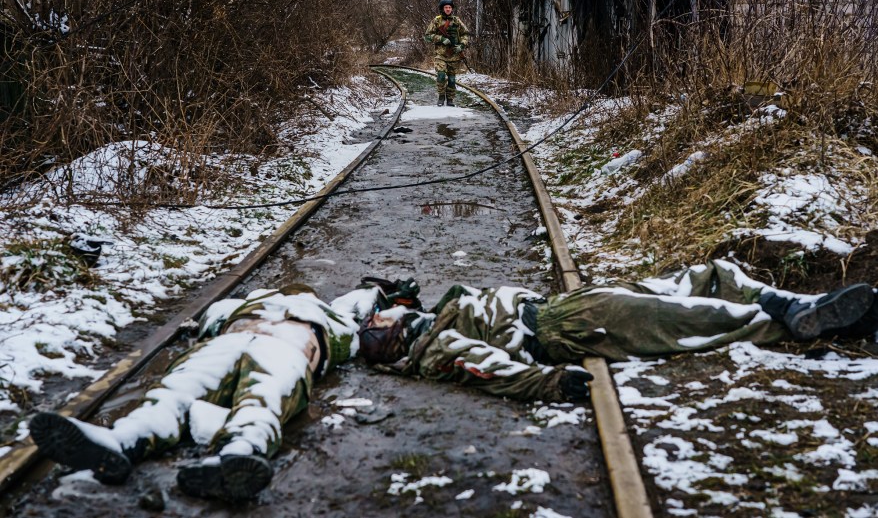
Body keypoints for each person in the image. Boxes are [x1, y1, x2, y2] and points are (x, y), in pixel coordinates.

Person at [28, 282, 405, 502]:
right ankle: (121, 441)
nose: (299, 291)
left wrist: (380, 298)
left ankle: (239, 457)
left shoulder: (328, 313)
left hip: (287, 350)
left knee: (262, 399)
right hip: (238, 342)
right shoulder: (254, 299)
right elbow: (209, 315)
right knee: (177, 389)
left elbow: (362, 317)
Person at [359, 260, 877, 401]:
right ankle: (813, 323)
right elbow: (487, 368)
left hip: (567, 306)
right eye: (378, 323)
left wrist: (401, 296)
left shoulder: (432, 316)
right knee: (693, 321)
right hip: (570, 330)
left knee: (697, 279)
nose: (381, 314)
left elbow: (397, 303)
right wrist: (550, 384)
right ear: (391, 342)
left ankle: (790, 303)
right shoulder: (434, 348)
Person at [424, 0, 470, 107]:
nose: (448, 9)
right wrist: (441, 39)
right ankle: (441, 97)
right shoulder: (437, 21)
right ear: (442, 8)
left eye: (450, 7)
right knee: (440, 75)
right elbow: (427, 36)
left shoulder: (457, 21)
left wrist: (462, 45)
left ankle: (450, 99)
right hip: (441, 54)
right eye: (446, 7)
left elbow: (465, 34)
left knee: (452, 79)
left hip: (454, 54)